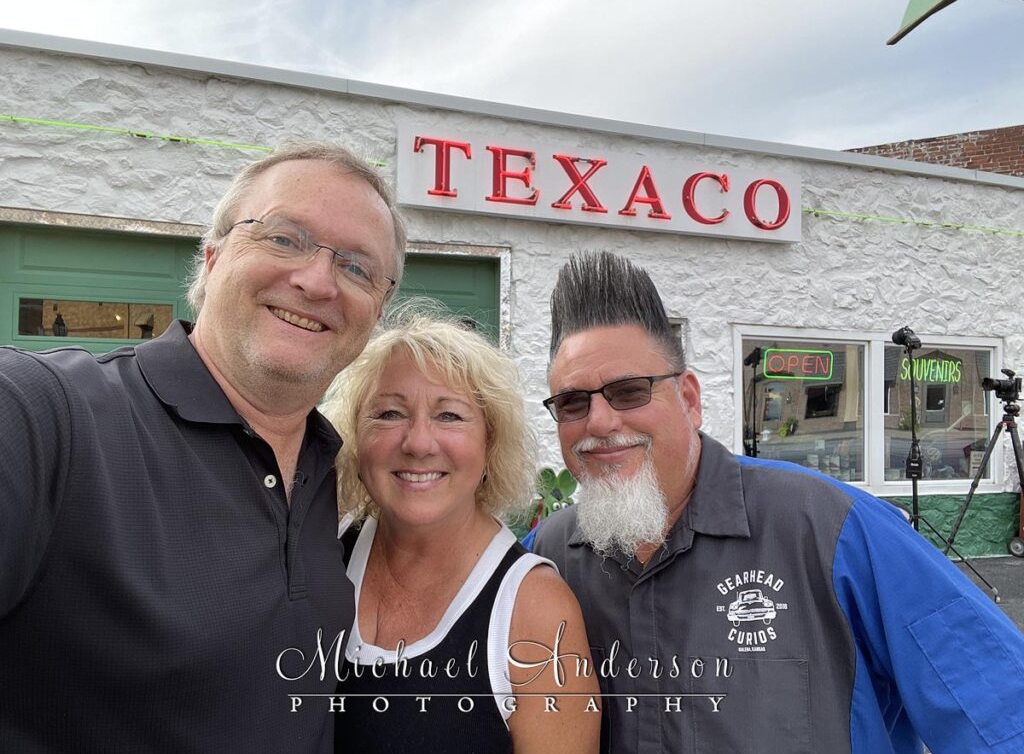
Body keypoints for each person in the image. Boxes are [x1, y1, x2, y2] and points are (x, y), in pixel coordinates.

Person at [527, 250, 1024, 754]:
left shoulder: (834, 530)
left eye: (629, 391)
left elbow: (1000, 713)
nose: (599, 422)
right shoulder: (546, 559)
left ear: (691, 400)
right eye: (572, 402)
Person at [0, 142, 406, 753]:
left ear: (376, 310)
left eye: (356, 267)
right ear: (212, 258)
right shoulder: (46, 414)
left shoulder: (339, 476)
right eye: (284, 238)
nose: (318, 280)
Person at [321, 311, 600, 754]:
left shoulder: (534, 610)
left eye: (449, 415)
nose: (418, 443)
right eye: (390, 413)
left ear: (490, 443)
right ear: (356, 435)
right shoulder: (321, 559)